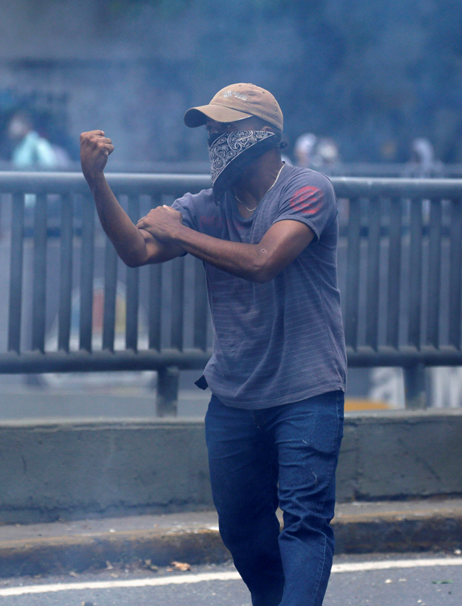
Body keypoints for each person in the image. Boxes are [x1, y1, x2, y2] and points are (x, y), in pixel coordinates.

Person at [80, 83, 346, 606]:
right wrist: (96, 182)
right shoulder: (204, 205)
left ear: (263, 136)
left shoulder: (307, 189)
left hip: (306, 391)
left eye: (225, 129)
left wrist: (179, 235)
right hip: (234, 397)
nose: (214, 140)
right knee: (242, 530)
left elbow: (264, 262)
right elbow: (136, 250)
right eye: (210, 131)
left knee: (305, 523)